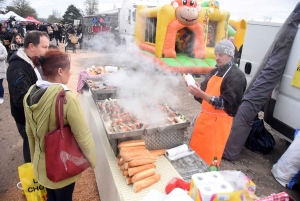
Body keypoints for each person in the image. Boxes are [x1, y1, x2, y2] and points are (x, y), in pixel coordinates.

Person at [23, 49, 96, 201]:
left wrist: (35, 159)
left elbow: (29, 132)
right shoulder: (66, 98)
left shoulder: (30, 92)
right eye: (69, 69)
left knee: (51, 197)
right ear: (60, 71)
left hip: (41, 166)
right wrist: (93, 161)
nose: (71, 73)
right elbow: (83, 135)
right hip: (62, 166)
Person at [188, 39, 247, 166]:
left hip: (218, 126)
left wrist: (202, 94)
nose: (217, 58)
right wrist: (196, 90)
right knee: (195, 156)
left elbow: (228, 104)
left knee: (210, 159)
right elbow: (203, 94)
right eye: (216, 54)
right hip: (204, 121)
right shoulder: (215, 71)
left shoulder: (236, 76)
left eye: (220, 54)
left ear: (230, 55)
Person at [6, 31, 49, 163]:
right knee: (31, 148)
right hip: (26, 119)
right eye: (44, 47)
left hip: (36, 117)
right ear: (31, 46)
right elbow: (21, 99)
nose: (47, 51)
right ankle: (33, 178)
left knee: (38, 147)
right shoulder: (17, 67)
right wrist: (49, 94)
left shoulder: (32, 60)